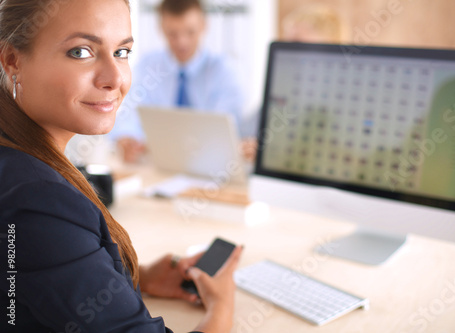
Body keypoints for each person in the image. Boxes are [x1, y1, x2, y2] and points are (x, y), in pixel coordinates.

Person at [0, 0, 242, 332]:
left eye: (122, 52)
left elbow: (34, 272)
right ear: (12, 60)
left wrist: (126, 278)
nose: (116, 79)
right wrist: (222, 305)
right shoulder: (36, 198)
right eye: (81, 52)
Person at [110, 0, 245, 163]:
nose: (182, 42)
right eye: (173, 34)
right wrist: (127, 138)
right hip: (157, 164)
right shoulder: (147, 67)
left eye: (190, 32)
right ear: (161, 28)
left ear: (203, 25)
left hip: (208, 165)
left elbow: (228, 129)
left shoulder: (224, 71)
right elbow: (129, 112)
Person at [241, 4, 346, 162]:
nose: (288, 54)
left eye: (298, 44)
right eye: (287, 43)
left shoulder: (340, 102)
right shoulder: (282, 90)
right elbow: (245, 132)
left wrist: (272, 154)